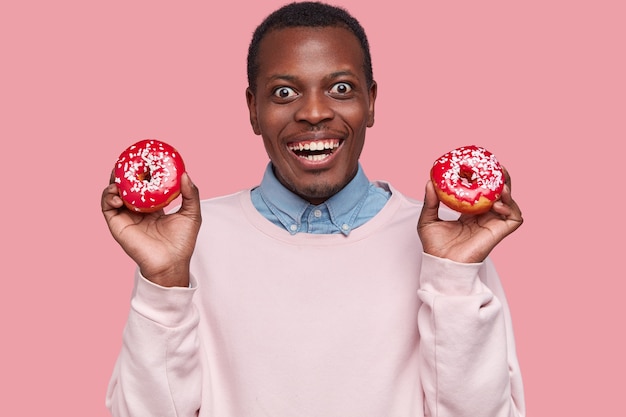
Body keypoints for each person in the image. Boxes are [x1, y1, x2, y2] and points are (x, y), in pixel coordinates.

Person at [101, 2, 526, 416]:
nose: (314, 112)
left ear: (371, 101)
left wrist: (452, 279)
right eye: (284, 92)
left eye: (340, 88)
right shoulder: (190, 241)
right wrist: (163, 283)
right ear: (253, 109)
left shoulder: (447, 247)